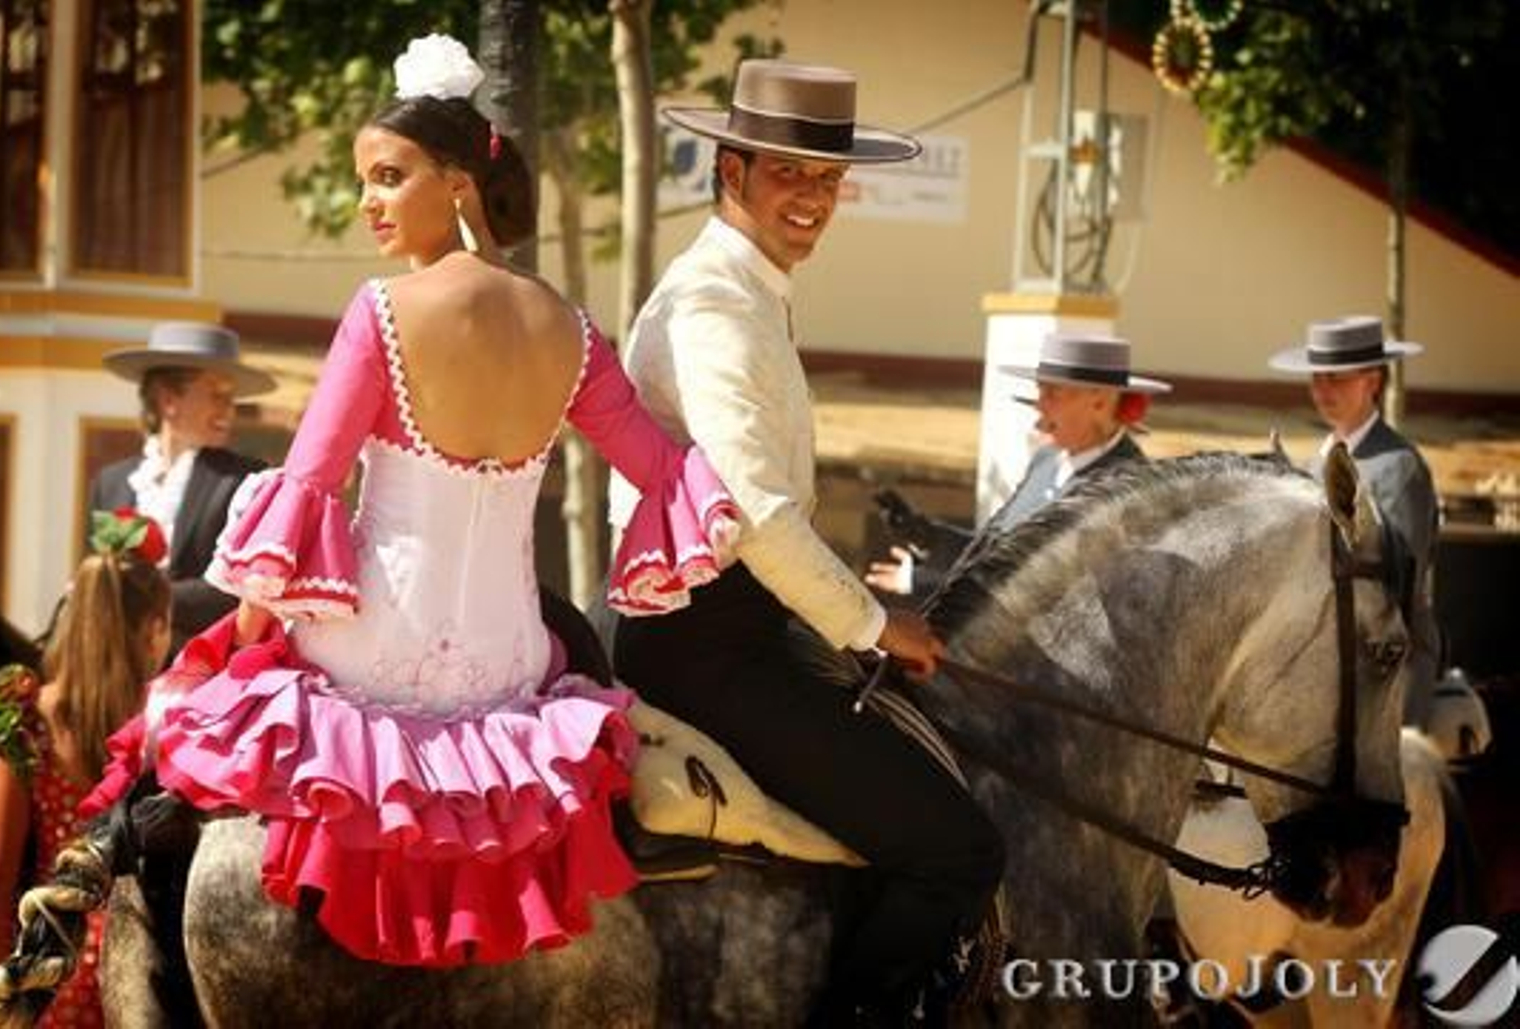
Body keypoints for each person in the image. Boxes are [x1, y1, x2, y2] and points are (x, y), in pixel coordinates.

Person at [127, 33, 737, 970]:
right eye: (364, 182)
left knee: (169, 747)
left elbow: (310, 484)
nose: (367, 203)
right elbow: (665, 473)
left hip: (363, 656)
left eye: (387, 177)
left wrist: (239, 640)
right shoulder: (572, 330)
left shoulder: (381, 311)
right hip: (508, 672)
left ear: (457, 183)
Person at [607, 59, 1002, 1024]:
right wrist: (872, 624)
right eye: (789, 173)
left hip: (740, 633)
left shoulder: (748, 289)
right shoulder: (715, 305)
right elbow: (756, 511)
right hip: (710, 653)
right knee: (961, 851)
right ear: (730, 171)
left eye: (828, 179)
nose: (813, 198)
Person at [0, 511, 171, 1028]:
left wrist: (3, 1001)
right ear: (154, 630)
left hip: (53, 967)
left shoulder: (26, 717)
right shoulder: (164, 723)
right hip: (142, 966)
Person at [866, 333, 1169, 600]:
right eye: (1040, 391)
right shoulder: (1047, 460)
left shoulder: (1128, 489)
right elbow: (998, 550)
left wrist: (922, 582)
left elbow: (1041, 588)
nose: (1039, 405)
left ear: (1099, 402)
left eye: (1052, 393)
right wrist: (928, 537)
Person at [1269, 315, 1441, 726]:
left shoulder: (1399, 467)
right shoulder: (1316, 462)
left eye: (1336, 378)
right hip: (1323, 658)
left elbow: (1397, 585)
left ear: (1372, 381)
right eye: (1316, 378)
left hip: (1387, 667)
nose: (1322, 390)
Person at [91, 322, 274, 652]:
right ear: (168, 400)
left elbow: (242, 586)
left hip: (201, 662)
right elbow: (98, 573)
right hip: (116, 660)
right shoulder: (112, 482)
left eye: (230, 397)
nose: (228, 408)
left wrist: (144, 598)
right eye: (216, 394)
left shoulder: (245, 478)